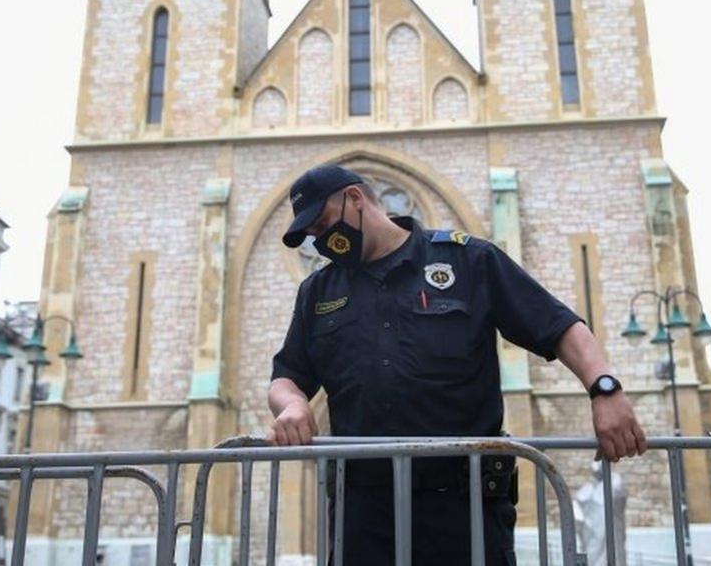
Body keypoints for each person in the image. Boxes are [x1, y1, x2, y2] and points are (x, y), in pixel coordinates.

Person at [267, 164, 647, 566]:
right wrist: (291, 405)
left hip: (464, 509)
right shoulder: (318, 292)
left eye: (324, 225)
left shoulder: (468, 260)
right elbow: (286, 377)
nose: (323, 241)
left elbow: (557, 326)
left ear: (356, 200)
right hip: (364, 515)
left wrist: (605, 388)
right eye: (313, 237)